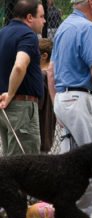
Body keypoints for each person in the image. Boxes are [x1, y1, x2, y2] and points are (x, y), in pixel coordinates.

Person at [47, 0, 92, 218]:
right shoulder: (87, 28)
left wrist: (57, 104)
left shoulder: (64, 26)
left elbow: (52, 71)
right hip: (82, 100)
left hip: (64, 99)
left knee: (71, 170)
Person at [0, 0, 45, 156]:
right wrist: (10, 94)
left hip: (5, 109)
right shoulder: (28, 35)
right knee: (25, 167)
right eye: (41, 16)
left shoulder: (2, 33)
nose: (44, 21)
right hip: (21, 108)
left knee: (8, 165)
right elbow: (20, 66)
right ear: (29, 17)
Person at [38, 38, 56, 153]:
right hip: (48, 130)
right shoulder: (53, 74)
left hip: (40, 125)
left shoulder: (41, 75)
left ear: (44, 56)